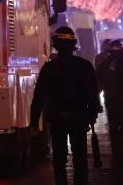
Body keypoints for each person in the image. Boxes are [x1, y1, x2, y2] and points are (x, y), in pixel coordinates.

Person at [30, 27, 102, 185]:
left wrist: (34, 122)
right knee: (80, 158)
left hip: (57, 120)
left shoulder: (49, 68)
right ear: (73, 44)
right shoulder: (84, 66)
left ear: (56, 45)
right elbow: (93, 93)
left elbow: (39, 96)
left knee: (59, 158)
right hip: (79, 118)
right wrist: (93, 114)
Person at [97, 39, 123, 164]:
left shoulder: (104, 64)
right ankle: (122, 144)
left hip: (113, 99)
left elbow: (98, 84)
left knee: (114, 124)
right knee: (122, 123)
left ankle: (118, 147)